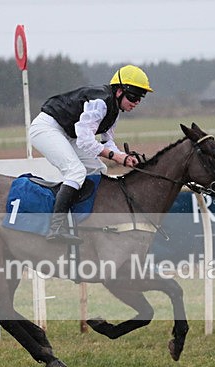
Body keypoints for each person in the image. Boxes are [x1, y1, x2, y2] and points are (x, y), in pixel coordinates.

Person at [29, 64, 154, 243]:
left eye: (140, 99)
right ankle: (56, 228)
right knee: (76, 172)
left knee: (98, 169)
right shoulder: (100, 103)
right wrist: (115, 156)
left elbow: (107, 142)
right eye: (133, 97)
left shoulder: (114, 109)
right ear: (119, 91)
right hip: (46, 128)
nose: (136, 103)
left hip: (68, 134)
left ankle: (84, 220)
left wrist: (124, 157)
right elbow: (85, 141)